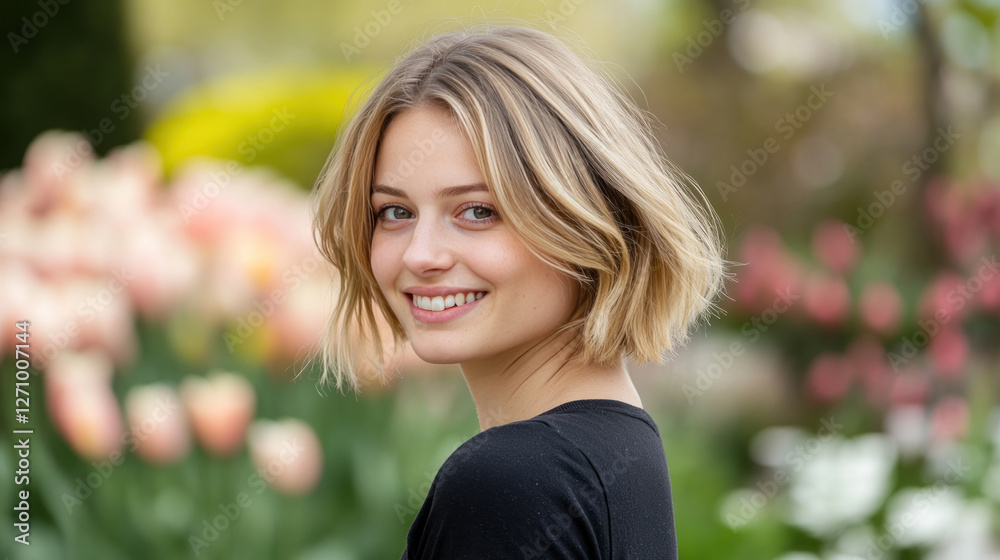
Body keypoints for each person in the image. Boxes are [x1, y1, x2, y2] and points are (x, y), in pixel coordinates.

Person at [309, 23, 729, 560]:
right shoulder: (619, 450)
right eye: (395, 212)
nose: (420, 254)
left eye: (478, 211)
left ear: (586, 222)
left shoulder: (507, 483)